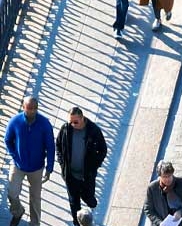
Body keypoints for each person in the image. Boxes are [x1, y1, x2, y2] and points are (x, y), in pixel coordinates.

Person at [4, 96, 55, 226]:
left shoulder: (44, 123)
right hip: (18, 166)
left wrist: (49, 168)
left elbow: (50, 146)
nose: (32, 111)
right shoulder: (15, 121)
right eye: (29, 108)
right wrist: (14, 156)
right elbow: (8, 140)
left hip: (37, 168)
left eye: (34, 108)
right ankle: (18, 211)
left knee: (35, 198)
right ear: (23, 107)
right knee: (12, 192)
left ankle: (34, 223)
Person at [56, 107, 108, 226]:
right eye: (71, 122)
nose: (73, 125)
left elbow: (103, 150)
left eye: (76, 122)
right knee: (74, 203)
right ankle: (77, 223)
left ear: (82, 118)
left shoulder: (93, 130)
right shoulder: (65, 129)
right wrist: (62, 163)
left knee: (89, 197)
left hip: (87, 175)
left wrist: (95, 165)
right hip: (70, 175)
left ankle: (89, 200)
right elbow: (58, 145)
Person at [144, 160, 182, 226]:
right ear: (159, 176)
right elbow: (148, 209)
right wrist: (159, 222)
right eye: (164, 177)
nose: (167, 179)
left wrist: (181, 211)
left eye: (169, 176)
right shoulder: (152, 188)